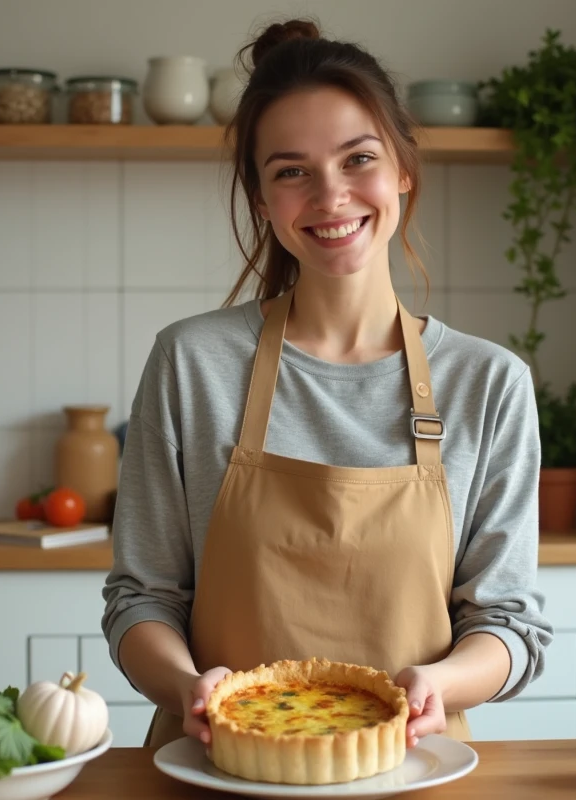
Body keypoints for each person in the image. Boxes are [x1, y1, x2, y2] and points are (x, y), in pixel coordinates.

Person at [102, 18, 553, 750]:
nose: (331, 195)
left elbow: (507, 623)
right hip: (220, 768)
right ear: (260, 197)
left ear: (403, 169)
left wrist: (441, 683)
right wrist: (187, 687)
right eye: (291, 171)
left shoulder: (488, 382)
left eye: (358, 159)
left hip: (414, 768)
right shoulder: (191, 363)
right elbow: (142, 599)